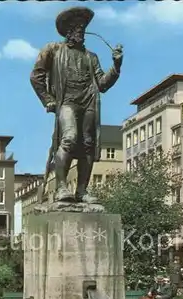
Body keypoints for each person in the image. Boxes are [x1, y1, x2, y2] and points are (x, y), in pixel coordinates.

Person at [30, 6, 123, 203]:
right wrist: (48, 100)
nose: (80, 32)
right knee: (69, 139)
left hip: (88, 101)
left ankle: (82, 190)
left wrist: (116, 66)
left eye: (82, 28)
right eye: (76, 28)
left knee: (88, 145)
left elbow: (102, 84)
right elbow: (36, 76)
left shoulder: (91, 57)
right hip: (66, 102)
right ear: (68, 31)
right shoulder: (53, 50)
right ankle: (62, 187)